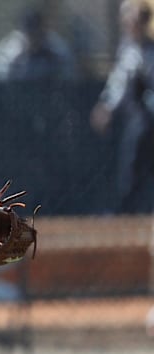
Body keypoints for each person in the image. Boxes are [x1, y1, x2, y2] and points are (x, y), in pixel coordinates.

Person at [90, 0, 154, 214]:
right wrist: (106, 107)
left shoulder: (149, 49)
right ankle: (128, 212)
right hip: (139, 120)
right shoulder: (129, 50)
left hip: (148, 119)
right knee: (131, 167)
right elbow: (118, 83)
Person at [0, 7, 76, 82]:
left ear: (43, 30)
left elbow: (69, 72)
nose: (34, 38)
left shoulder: (55, 46)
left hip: (50, 93)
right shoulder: (11, 49)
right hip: (17, 93)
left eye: (37, 32)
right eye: (30, 33)